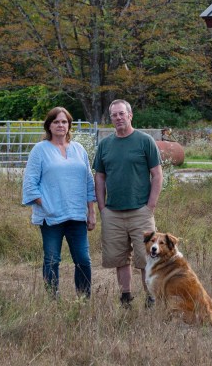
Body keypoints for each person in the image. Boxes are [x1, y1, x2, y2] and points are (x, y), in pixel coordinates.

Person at [94, 99, 163, 308]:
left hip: (140, 212)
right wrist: (102, 208)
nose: (118, 118)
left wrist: (150, 206)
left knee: (146, 258)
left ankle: (151, 298)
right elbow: (99, 177)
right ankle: (125, 297)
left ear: (130, 115)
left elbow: (157, 175)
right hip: (113, 213)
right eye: (114, 115)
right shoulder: (105, 144)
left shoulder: (144, 141)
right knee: (119, 258)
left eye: (121, 114)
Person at [22, 107, 97, 298]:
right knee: (52, 260)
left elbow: (89, 181)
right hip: (51, 217)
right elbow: (30, 184)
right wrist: (46, 205)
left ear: (69, 125)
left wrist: (92, 211)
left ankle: (83, 299)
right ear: (49, 125)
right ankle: (52, 299)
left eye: (64, 122)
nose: (60, 125)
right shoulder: (40, 150)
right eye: (56, 122)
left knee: (83, 260)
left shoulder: (79, 149)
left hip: (77, 216)